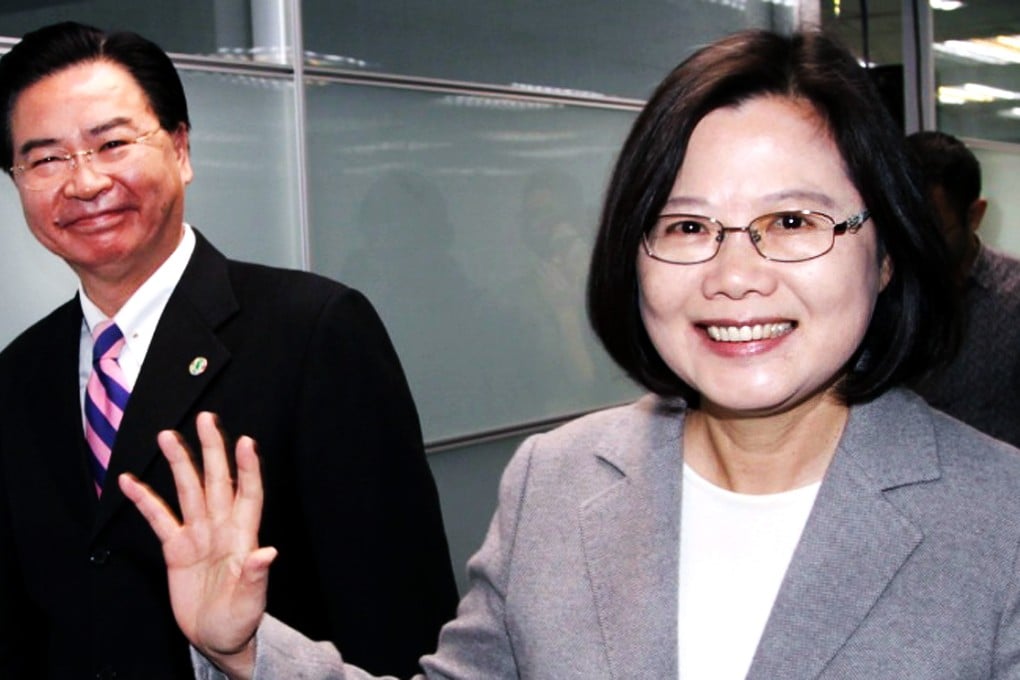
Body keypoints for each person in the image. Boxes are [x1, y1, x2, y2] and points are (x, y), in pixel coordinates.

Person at [125, 29, 1020, 679]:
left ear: (887, 248)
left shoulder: (999, 520)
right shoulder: (556, 480)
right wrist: (243, 646)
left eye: (792, 221)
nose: (735, 274)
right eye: (687, 225)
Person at [0, 21, 458, 679]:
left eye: (112, 143)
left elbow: (395, 612)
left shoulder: (315, 332)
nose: (85, 182)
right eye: (46, 158)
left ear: (181, 150)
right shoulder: (18, 375)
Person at [906, 130, 1020, 448]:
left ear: (975, 215)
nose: (916, 244)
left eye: (932, 229)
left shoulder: (1013, 297)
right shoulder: (882, 296)